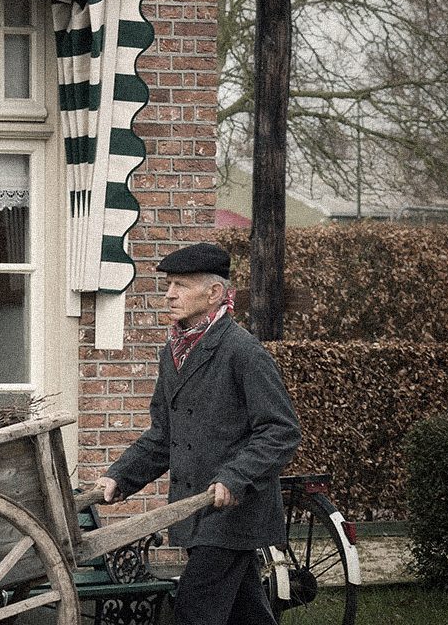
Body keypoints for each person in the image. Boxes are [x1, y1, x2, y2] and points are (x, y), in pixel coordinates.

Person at [95, 242, 301, 625]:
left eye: (182, 285)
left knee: (193, 609)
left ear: (215, 293)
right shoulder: (173, 352)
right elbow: (163, 436)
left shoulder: (243, 351)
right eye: (169, 284)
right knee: (245, 613)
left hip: (233, 511)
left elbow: (281, 430)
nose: (170, 294)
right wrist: (120, 477)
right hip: (196, 510)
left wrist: (234, 478)